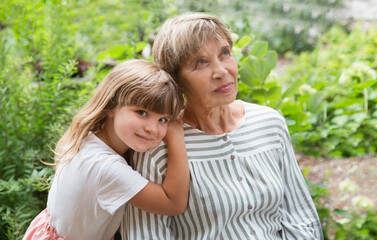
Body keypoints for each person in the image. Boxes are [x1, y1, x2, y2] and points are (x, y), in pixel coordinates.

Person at [121, 13, 323, 239]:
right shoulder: (158, 143)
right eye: (201, 63)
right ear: (176, 81)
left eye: (225, 53)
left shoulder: (270, 123)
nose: (221, 72)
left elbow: (301, 216)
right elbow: (146, 234)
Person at [22, 59, 190, 240]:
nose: (152, 128)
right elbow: (173, 203)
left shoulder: (91, 138)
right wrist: (176, 138)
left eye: (163, 119)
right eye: (142, 112)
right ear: (111, 106)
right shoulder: (106, 167)